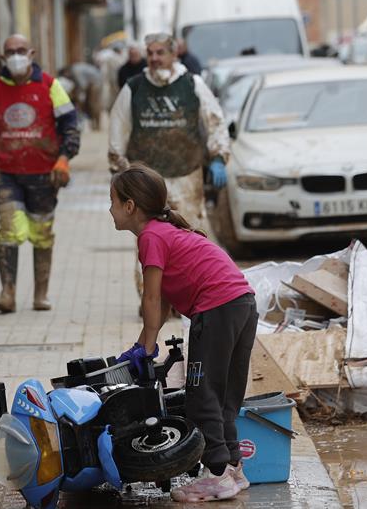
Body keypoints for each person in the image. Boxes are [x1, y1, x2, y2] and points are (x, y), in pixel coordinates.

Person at [109, 164, 256, 503]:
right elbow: (163, 303)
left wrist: (147, 346)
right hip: (242, 304)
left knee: (201, 396)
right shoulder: (165, 232)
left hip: (217, 308)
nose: (109, 209)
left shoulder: (150, 237)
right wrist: (144, 343)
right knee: (224, 395)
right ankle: (233, 468)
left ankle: (217, 475)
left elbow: (151, 297)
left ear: (130, 206)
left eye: (112, 201)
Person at [109, 32, 230, 299]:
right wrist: (120, 169)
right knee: (149, 240)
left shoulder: (192, 84)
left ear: (174, 54)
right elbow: (118, 127)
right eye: (150, 53)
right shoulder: (134, 88)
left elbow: (215, 121)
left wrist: (219, 157)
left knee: (189, 237)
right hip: (146, 183)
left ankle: (189, 295)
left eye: (160, 52)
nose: (154, 58)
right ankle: (151, 298)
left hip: (187, 174)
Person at [0, 34, 80, 313]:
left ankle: (40, 294)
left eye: (21, 50)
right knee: (10, 230)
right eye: (10, 52)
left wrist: (65, 158)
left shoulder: (50, 86)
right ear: (2, 57)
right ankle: (7, 293)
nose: (16, 56)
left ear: (32, 53)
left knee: (42, 231)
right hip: (5, 172)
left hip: (45, 173)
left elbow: (70, 125)